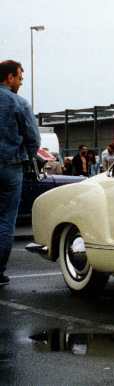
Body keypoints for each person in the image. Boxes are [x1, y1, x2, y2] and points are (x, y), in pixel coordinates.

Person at [0, 60, 41, 286]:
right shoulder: (19, 103)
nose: (20, 83)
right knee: (6, 220)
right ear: (9, 78)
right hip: (10, 166)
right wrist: (28, 155)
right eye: (19, 78)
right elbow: (33, 138)